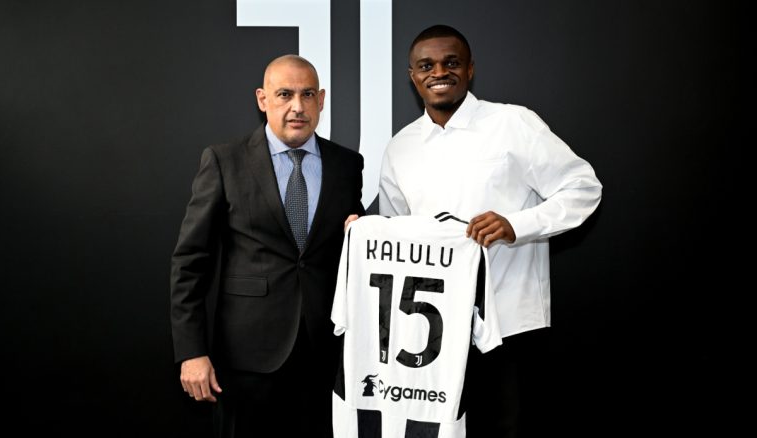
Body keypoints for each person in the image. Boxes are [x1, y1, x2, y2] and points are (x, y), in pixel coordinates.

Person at [375, 25, 602, 436]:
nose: (438, 72)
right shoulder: (400, 147)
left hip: (510, 323)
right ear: (412, 77)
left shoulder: (512, 123)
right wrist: (365, 232)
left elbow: (584, 189)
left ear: (470, 69)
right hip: (432, 334)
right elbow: (397, 235)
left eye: (451, 62)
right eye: (426, 66)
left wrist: (516, 225)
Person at [170, 54, 365, 438]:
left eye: (307, 94)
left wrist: (360, 234)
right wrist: (191, 352)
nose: (297, 106)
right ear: (263, 99)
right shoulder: (225, 161)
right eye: (284, 94)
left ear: (321, 100)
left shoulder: (347, 165)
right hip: (246, 359)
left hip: (326, 356)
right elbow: (191, 261)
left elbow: (355, 249)